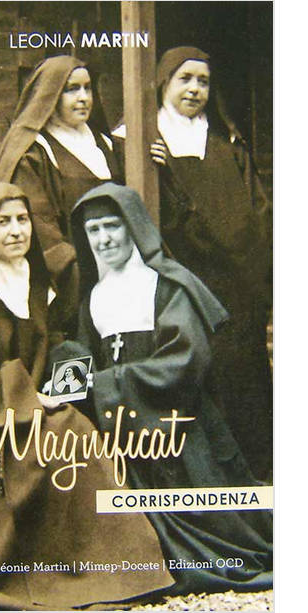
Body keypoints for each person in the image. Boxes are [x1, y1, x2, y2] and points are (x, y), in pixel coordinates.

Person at [0, 181, 174, 610]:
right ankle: (56, 573)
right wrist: (29, 398)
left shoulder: (37, 281)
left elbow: (56, 342)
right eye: (2, 222)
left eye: (22, 220)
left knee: (76, 430)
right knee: (62, 436)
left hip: (25, 412)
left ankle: (109, 569)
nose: (16, 231)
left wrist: (66, 380)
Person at [52, 182, 272, 596]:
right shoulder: (92, 298)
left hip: (177, 429)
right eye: (94, 230)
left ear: (134, 226)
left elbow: (184, 362)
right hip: (121, 434)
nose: (104, 239)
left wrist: (104, 384)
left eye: (113, 226)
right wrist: (67, 378)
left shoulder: (169, 285)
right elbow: (81, 356)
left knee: (227, 536)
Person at [116, 46, 272, 480]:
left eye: (203, 81)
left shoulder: (227, 146)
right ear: (163, 83)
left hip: (234, 284)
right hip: (182, 279)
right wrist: (160, 173)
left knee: (241, 380)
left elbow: (254, 215)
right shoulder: (138, 143)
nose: (195, 89)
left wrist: (254, 275)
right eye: (184, 79)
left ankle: (251, 476)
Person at [0, 55, 123, 331]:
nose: (83, 97)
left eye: (87, 88)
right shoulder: (34, 151)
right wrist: (79, 272)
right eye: (71, 89)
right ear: (50, 95)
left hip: (115, 266)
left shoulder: (106, 144)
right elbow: (41, 227)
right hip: (68, 278)